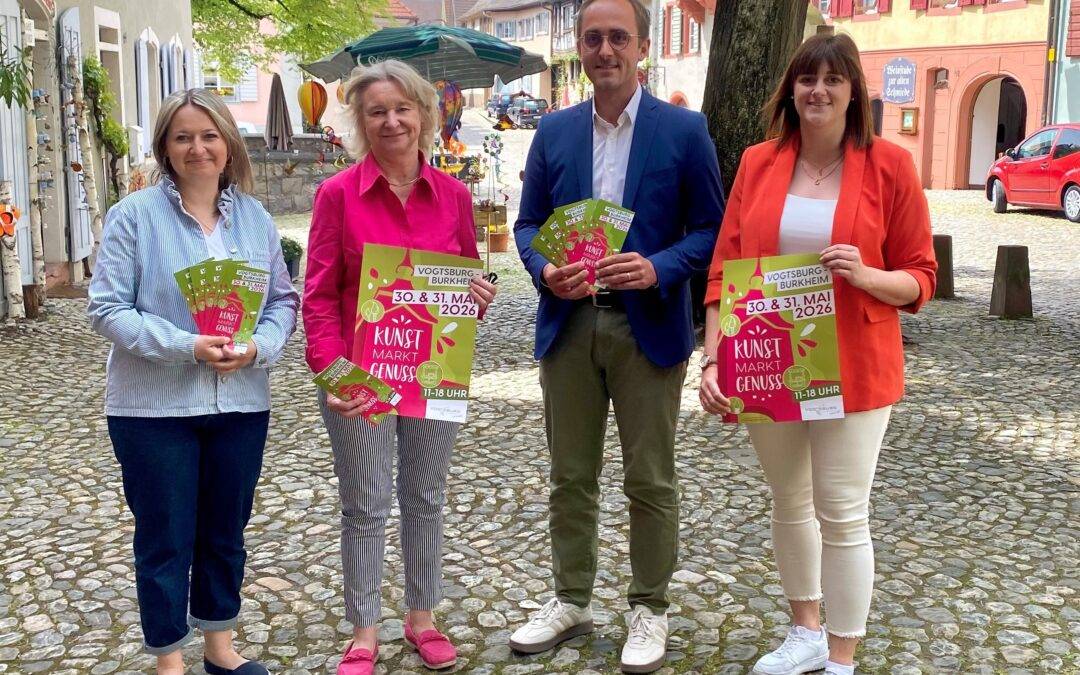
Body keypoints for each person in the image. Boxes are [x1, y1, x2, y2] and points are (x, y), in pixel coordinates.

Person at [699, 33, 936, 675]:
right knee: (789, 503)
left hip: (856, 362)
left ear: (854, 90)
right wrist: (714, 358)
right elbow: (725, 270)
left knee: (842, 509)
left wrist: (865, 275)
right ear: (791, 90)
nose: (818, 91)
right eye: (807, 79)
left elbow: (920, 278)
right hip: (769, 359)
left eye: (833, 79)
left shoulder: (889, 165)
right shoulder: (758, 162)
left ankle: (841, 658)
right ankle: (805, 632)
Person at [507, 0, 724, 671]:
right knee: (569, 476)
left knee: (650, 478)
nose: (605, 50)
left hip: (647, 326)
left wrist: (658, 266)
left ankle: (649, 607)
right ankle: (571, 596)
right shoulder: (553, 131)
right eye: (593, 38)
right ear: (580, 45)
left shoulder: (684, 131)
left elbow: (712, 231)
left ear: (643, 48)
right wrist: (546, 266)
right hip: (569, 322)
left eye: (618, 38)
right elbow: (525, 226)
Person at [88, 88, 299, 675]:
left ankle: (220, 647)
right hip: (153, 408)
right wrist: (187, 346)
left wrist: (260, 347)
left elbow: (283, 301)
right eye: (183, 137)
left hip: (239, 402)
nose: (198, 147)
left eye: (209, 136)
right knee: (165, 536)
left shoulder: (256, 222)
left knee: (226, 531)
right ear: (165, 148)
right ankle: (168, 658)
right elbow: (106, 309)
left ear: (229, 146)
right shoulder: (133, 216)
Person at [302, 60, 498, 675]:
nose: (391, 120)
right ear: (360, 123)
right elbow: (318, 294)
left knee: (425, 497)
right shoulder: (337, 195)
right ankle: (364, 629)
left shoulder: (456, 196)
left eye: (402, 108)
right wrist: (335, 376)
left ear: (423, 114)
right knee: (364, 501)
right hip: (361, 378)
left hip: (433, 372)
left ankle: (423, 617)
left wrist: (478, 299)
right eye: (376, 111)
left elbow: (465, 284)